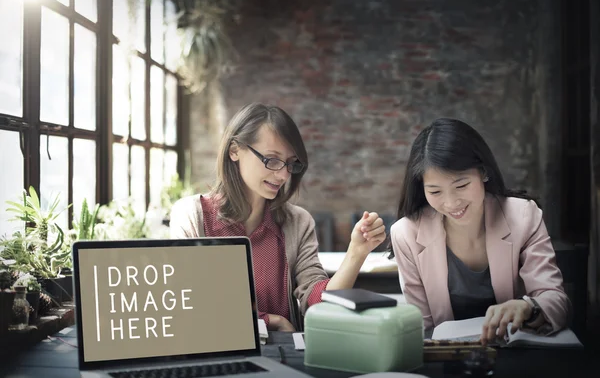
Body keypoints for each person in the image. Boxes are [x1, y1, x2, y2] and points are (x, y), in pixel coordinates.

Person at [170, 103, 386, 332]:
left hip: (285, 354)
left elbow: (319, 304)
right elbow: (191, 304)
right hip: (216, 354)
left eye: (291, 163)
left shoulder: (298, 222)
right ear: (234, 150)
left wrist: (356, 253)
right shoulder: (192, 215)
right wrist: (269, 321)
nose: (283, 174)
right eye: (271, 160)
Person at [389, 118, 570, 345]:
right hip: (447, 358)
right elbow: (423, 328)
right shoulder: (406, 233)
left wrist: (529, 307)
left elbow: (556, 300)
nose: (451, 203)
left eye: (461, 185)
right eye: (435, 191)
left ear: (483, 172)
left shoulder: (523, 215)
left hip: (518, 355)